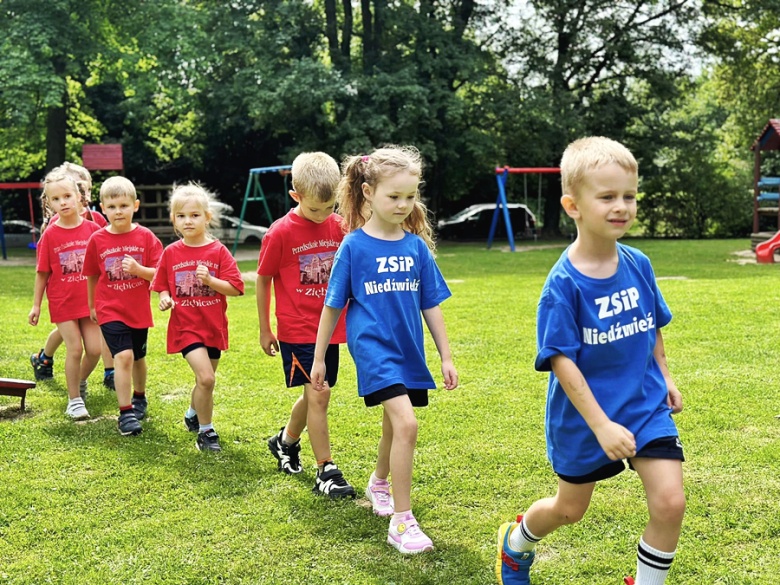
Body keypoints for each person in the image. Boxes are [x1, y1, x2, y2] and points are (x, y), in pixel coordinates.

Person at [496, 137, 685, 585]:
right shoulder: (563, 285)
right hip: (583, 420)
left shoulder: (638, 263)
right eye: (607, 197)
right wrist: (601, 425)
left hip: (644, 405)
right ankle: (517, 542)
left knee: (670, 503)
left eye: (629, 196)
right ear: (572, 205)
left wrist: (665, 374)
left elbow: (651, 323)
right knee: (569, 509)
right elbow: (562, 361)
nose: (621, 206)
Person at [311, 146, 458, 554]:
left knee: (396, 425)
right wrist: (320, 356)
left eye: (410, 196)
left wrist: (445, 356)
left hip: (408, 347)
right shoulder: (354, 248)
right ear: (368, 192)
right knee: (407, 424)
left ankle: (379, 482)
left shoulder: (415, 249)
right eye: (394, 196)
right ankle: (402, 521)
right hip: (372, 347)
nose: (403, 204)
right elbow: (333, 305)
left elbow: (431, 304)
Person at [257, 152, 355, 498]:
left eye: (330, 208)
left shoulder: (340, 226)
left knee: (315, 393)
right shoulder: (279, 233)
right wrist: (264, 328)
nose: (323, 216)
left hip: (331, 330)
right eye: (315, 209)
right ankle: (325, 470)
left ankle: (284, 442)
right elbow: (263, 278)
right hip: (297, 330)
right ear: (295, 195)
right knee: (319, 392)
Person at [151, 183, 244, 453]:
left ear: (207, 217)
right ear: (174, 220)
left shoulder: (218, 251)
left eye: (194, 215)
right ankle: (206, 431)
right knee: (206, 379)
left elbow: (237, 288)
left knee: (206, 380)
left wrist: (211, 280)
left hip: (213, 327)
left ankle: (193, 413)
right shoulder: (171, 253)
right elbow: (161, 285)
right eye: (181, 216)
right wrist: (164, 298)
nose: (187, 221)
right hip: (186, 328)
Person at [82, 177, 163, 436]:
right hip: (109, 309)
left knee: (138, 358)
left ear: (135, 206)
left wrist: (139, 270)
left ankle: (139, 397)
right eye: (112, 206)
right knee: (124, 356)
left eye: (124, 205)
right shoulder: (97, 240)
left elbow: (160, 274)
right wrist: (92, 305)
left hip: (138, 311)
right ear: (103, 208)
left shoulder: (146, 237)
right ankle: (125, 413)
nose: (118, 211)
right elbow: (92, 274)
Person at [30, 162, 116, 390]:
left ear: (83, 192)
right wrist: (36, 304)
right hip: (65, 299)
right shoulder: (53, 227)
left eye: (82, 188)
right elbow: (44, 268)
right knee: (71, 339)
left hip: (89, 297)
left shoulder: (96, 221)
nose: (65, 201)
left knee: (95, 340)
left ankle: (108, 371)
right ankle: (47, 360)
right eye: (57, 197)